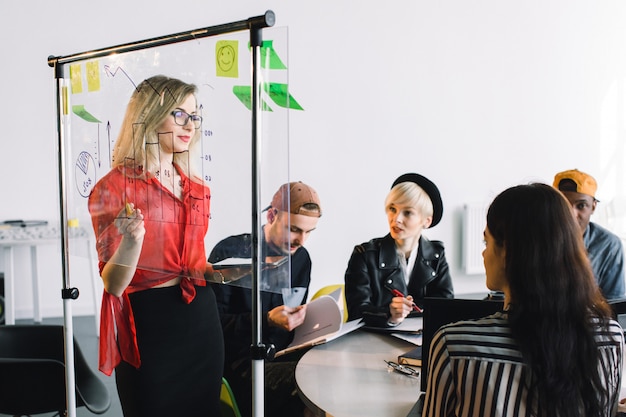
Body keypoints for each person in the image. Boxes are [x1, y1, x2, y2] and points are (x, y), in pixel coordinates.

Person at [423, 183, 624, 417]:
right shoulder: (611, 337)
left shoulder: (454, 345)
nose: (483, 253)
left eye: (486, 242)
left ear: (507, 251)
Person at [88, 75, 224, 416]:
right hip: (151, 324)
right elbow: (114, 283)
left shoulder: (196, 187)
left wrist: (226, 271)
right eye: (180, 114)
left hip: (201, 319)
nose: (190, 125)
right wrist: (133, 240)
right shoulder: (115, 187)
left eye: (195, 116)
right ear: (149, 115)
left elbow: (194, 260)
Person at [208, 181, 322, 417]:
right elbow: (213, 327)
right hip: (240, 364)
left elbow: (292, 321)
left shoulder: (301, 259)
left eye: (309, 231)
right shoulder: (231, 253)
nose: (301, 240)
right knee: (311, 386)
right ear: (271, 216)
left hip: (282, 354)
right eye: (294, 229)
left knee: (331, 371)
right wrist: (266, 320)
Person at [344, 172, 453, 328]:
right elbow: (357, 311)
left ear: (426, 221)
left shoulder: (437, 255)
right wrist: (389, 314)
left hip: (422, 339)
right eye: (392, 209)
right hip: (374, 341)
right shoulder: (364, 254)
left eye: (407, 212)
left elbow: (445, 306)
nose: (396, 219)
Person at [553, 168, 626, 299]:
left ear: (593, 207)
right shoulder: (534, 237)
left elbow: (614, 302)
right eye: (564, 205)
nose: (572, 214)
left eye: (581, 206)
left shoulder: (609, 245)